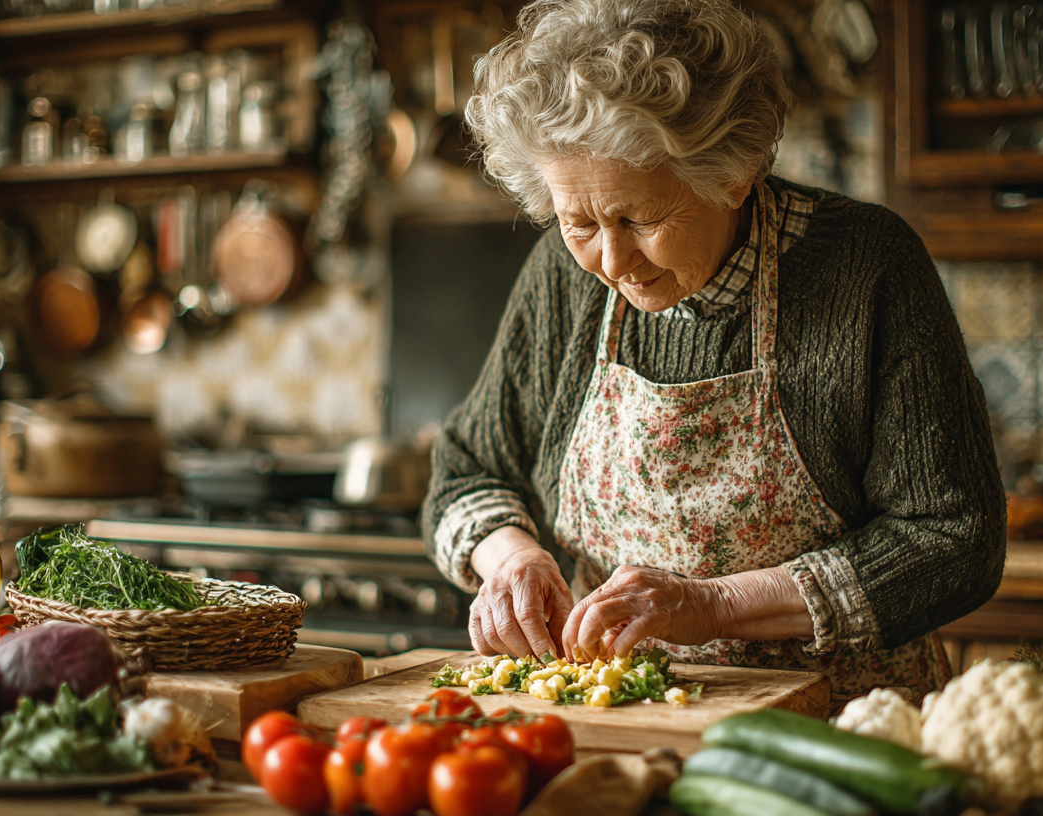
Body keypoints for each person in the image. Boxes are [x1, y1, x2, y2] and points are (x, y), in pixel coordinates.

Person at [422, 0, 1005, 698]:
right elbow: (465, 471)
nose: (609, 259)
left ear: (733, 174)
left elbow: (954, 538)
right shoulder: (560, 275)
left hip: (842, 726)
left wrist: (714, 605)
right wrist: (512, 559)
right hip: (626, 716)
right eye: (578, 222)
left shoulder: (867, 266)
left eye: (639, 218)